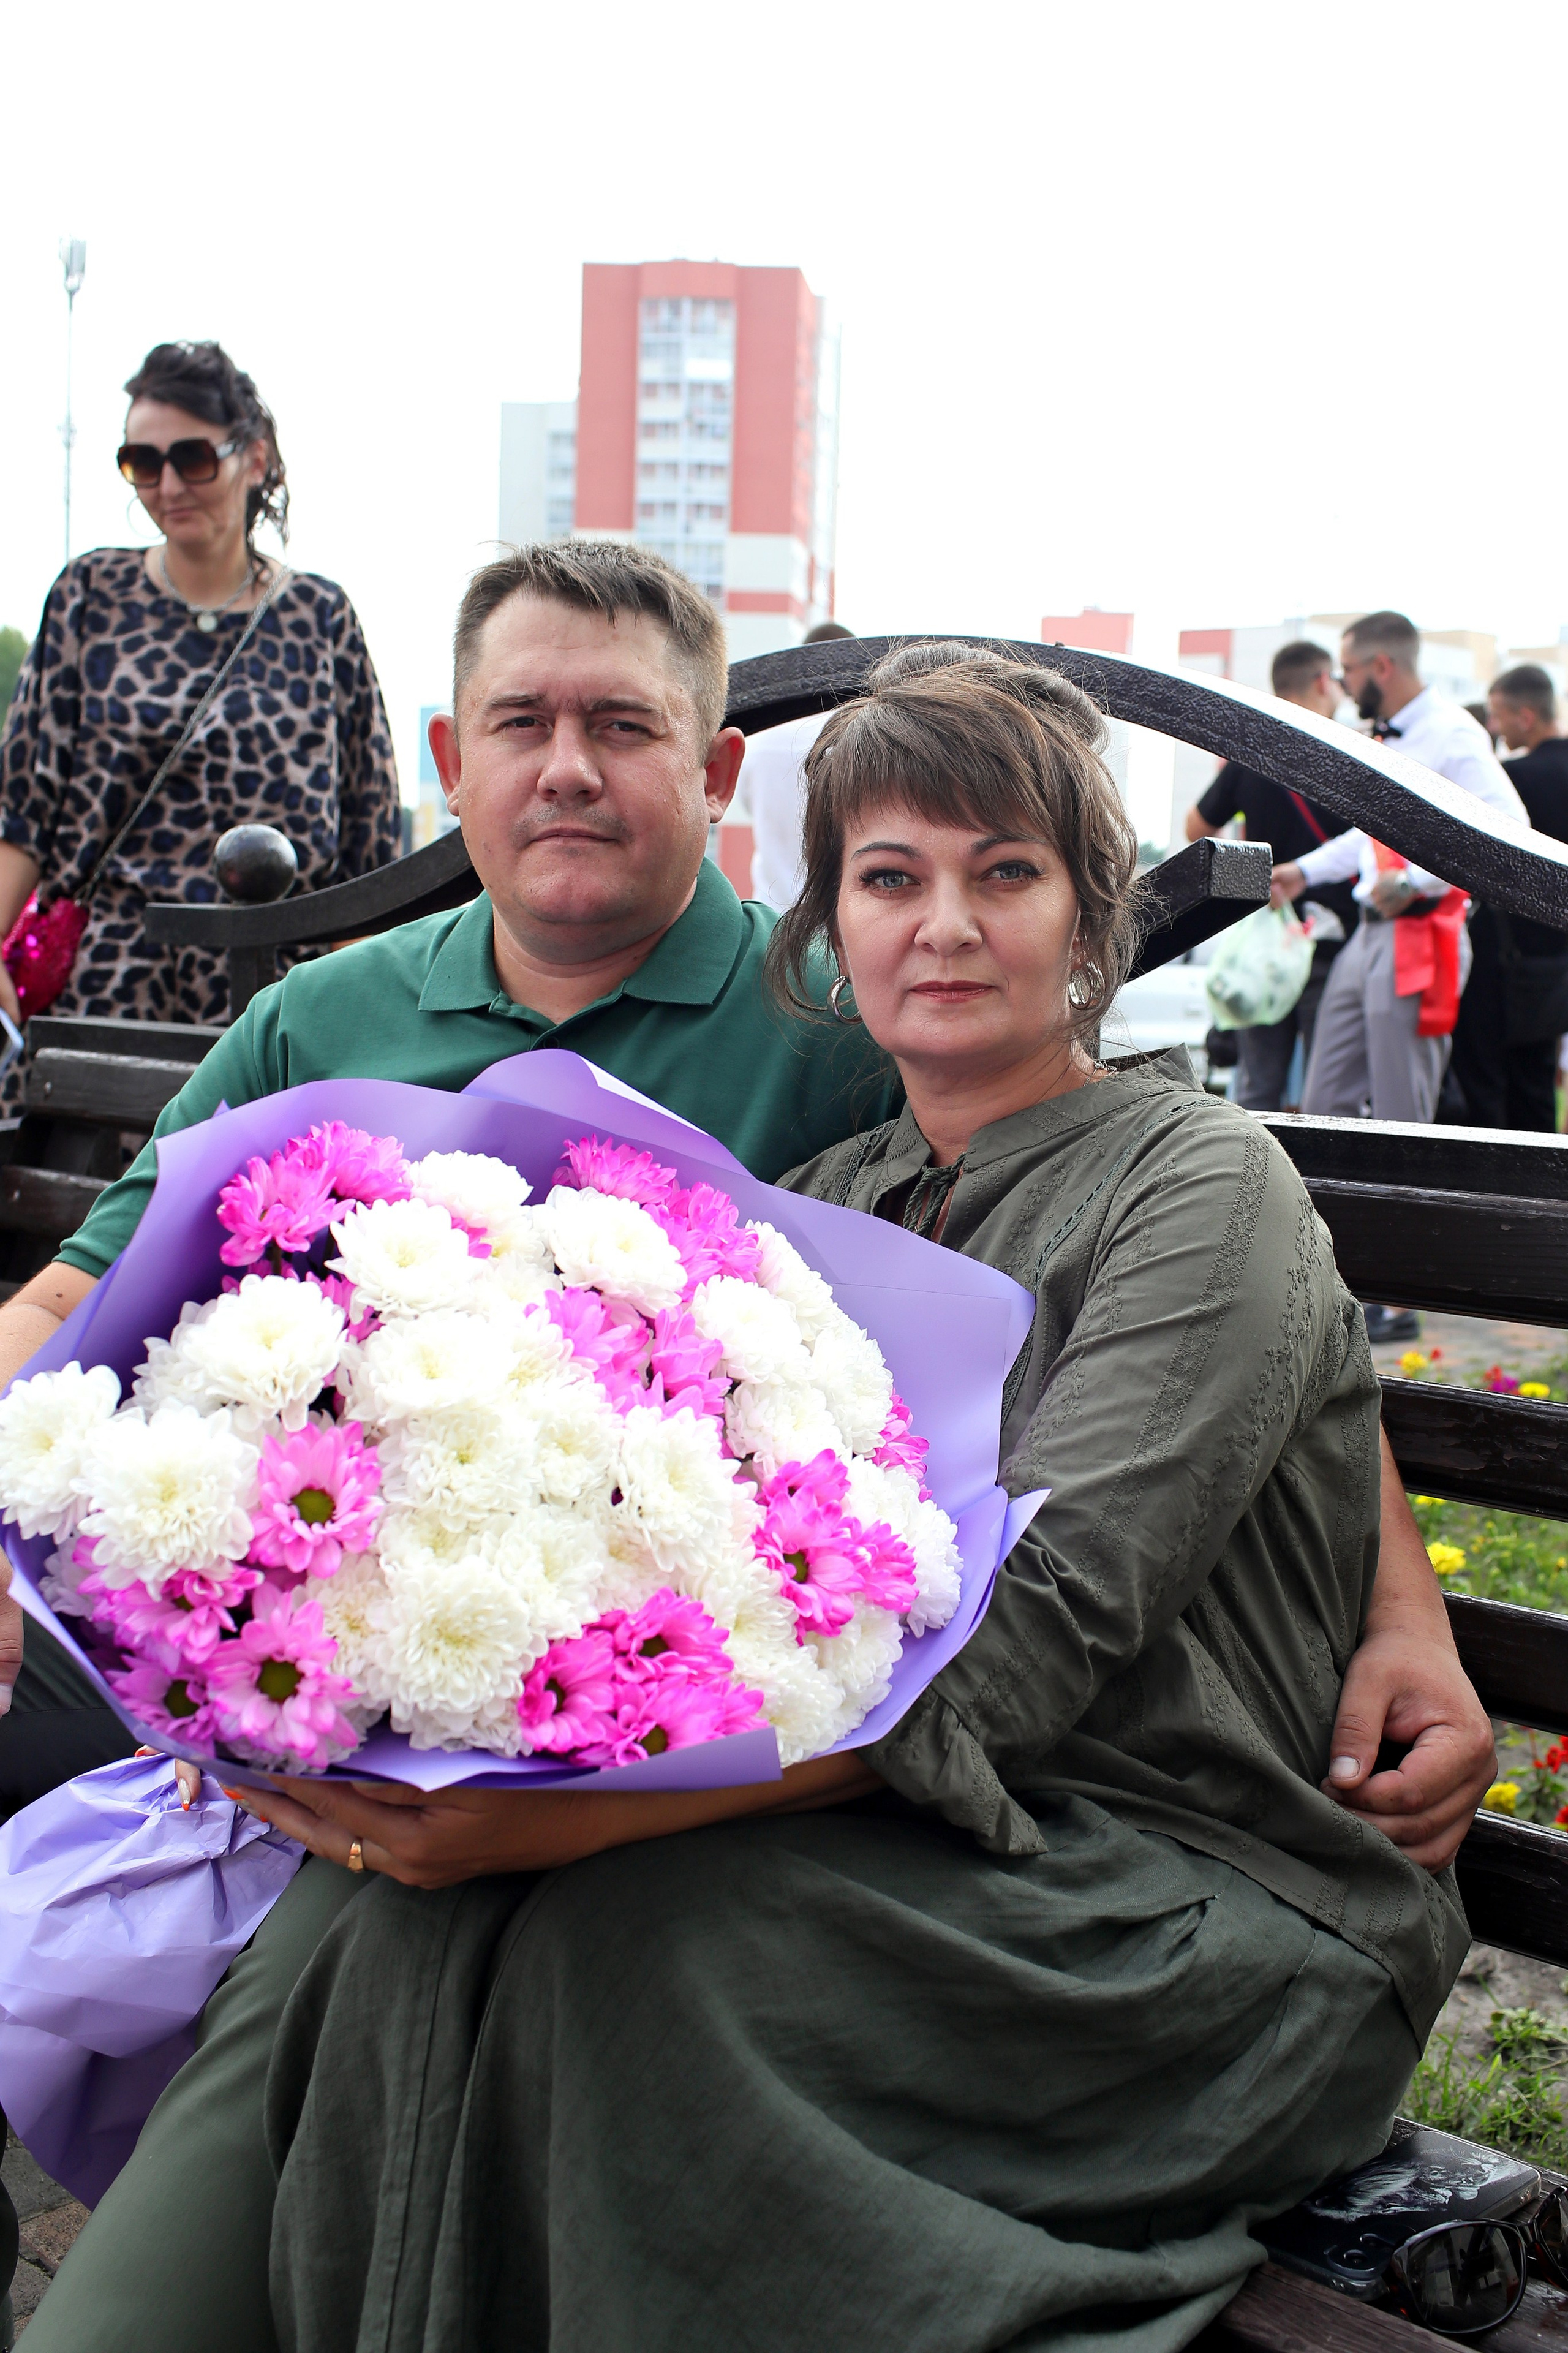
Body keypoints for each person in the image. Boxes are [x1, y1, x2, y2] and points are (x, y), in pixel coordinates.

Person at [11, 611, 1493, 2353]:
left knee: (603, 1949)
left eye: (1004, 874)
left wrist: (607, 1814)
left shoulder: (1199, 1177)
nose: (941, 924)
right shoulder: (842, 1199)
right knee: (434, 1921)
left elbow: (1053, 1614)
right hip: (933, 1843)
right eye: (888, 877)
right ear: (833, 925)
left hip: (1189, 1880)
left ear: (1092, 921)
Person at [0, 339, 401, 1031]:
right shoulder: (89, 594)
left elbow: (369, 846)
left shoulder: (322, 616)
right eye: (142, 463)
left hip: (284, 996)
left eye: (192, 457)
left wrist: (366, 1022)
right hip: (112, 984)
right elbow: (22, 806)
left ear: (256, 457)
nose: (168, 486)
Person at [1271, 612, 1527, 1343]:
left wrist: (1414, 882)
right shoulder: (1399, 738)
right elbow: (1368, 837)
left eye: (1348, 673)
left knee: (1400, 1118)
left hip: (1418, 934)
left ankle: (1399, 1295)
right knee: (1321, 1106)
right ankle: (1324, 1278)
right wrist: (1302, 870)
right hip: (1368, 937)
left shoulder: (1450, 733)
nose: (1344, 687)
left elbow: (1504, 824)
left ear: (1379, 666)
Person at [1185, 640, 1358, 1108]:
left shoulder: (1254, 754)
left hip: (1267, 941)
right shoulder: (1351, 757)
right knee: (1331, 1086)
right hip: (1332, 939)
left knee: (1259, 1083)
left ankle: (1256, 1176)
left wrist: (1248, 868)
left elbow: (1196, 828)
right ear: (1323, 681)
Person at [1447, 665, 1568, 1131]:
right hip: (1556, 957)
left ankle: (1489, 1195)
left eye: (1497, 717)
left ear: (1526, 715)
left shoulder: (1510, 780)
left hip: (1501, 953)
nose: (1493, 729)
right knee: (1538, 1083)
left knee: (1485, 1083)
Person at [731, 619, 855, 909]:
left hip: (772, 917)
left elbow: (748, 805)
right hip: (839, 920)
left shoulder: (761, 741)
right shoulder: (859, 737)